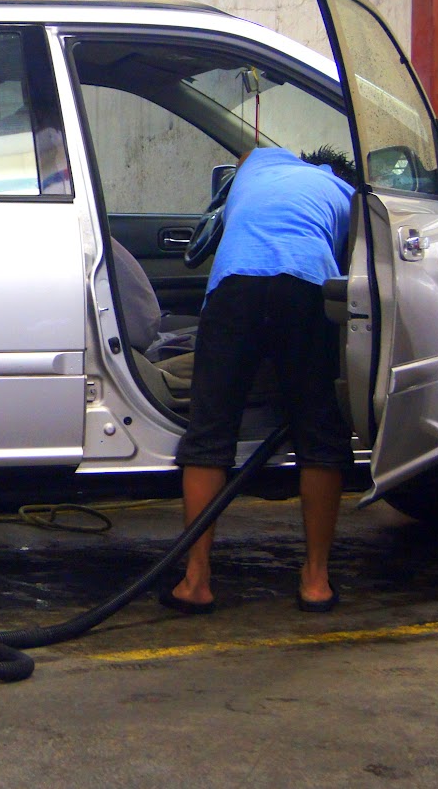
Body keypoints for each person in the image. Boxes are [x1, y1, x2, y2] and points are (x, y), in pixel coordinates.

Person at [161, 144, 356, 614]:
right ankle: (316, 580)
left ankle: (196, 580)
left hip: (236, 285)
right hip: (307, 286)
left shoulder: (263, 159)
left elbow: (238, 178)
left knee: (209, 432)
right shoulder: (345, 193)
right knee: (319, 433)